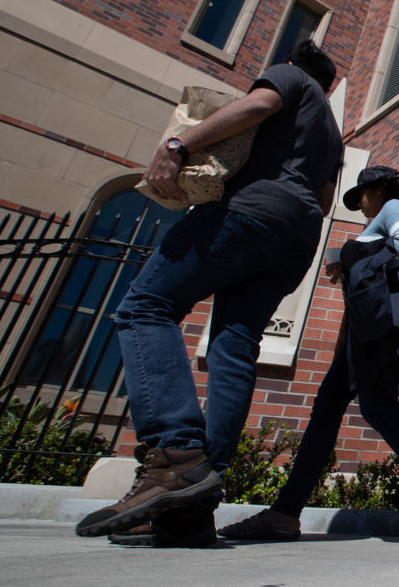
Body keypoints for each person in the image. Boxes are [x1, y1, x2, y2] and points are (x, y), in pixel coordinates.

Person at [75, 40, 344, 545]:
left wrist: (178, 146)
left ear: (290, 65)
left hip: (246, 213)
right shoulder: (332, 128)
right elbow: (326, 200)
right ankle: (192, 508)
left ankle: (174, 454)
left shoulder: (288, 78)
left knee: (144, 308)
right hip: (297, 239)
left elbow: (258, 105)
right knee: (235, 346)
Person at [217, 165, 399, 545]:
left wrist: (357, 260)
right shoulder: (386, 219)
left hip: (373, 335)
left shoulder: (393, 209)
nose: (362, 207)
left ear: (378, 189)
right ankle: (286, 513)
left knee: (368, 409)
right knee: (338, 410)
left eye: (362, 198)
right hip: (365, 334)